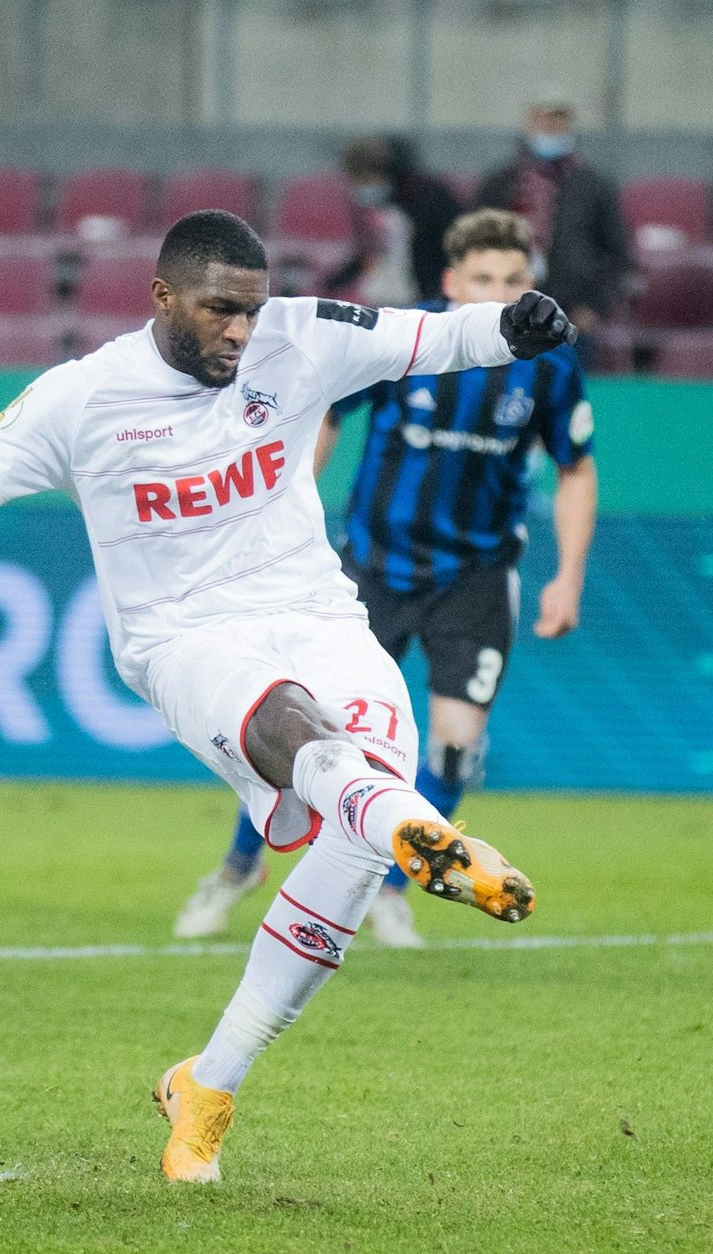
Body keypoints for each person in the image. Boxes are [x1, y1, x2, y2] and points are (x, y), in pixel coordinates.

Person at [0, 209, 574, 1181]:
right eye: (218, 312)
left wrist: (512, 329)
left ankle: (209, 1082)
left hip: (319, 615)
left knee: (356, 818)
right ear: (162, 298)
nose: (240, 333)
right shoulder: (83, 399)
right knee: (317, 748)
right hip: (184, 639)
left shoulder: (297, 336)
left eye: (249, 311)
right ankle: (420, 833)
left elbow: (428, 336)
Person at [178, 208, 597, 948]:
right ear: (451, 281)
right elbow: (326, 417)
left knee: (456, 744)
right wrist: (271, 517)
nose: (500, 292)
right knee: (305, 734)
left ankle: (389, 889)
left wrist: (568, 576)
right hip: (370, 567)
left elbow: (576, 469)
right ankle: (238, 868)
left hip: (476, 575)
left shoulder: (552, 360)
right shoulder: (409, 340)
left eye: (514, 279)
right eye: (484, 279)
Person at [476, 93, 630, 329]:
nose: (549, 127)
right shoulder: (501, 184)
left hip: (573, 310)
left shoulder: (594, 185)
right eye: (541, 119)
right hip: (507, 307)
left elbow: (617, 252)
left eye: (557, 119)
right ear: (527, 126)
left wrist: (595, 306)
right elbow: (476, 244)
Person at [326, 135, 462, 309]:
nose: (360, 187)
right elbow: (369, 254)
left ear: (387, 175)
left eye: (366, 180)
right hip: (386, 300)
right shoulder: (378, 210)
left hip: (424, 300)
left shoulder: (431, 202)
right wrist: (335, 281)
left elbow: (446, 253)